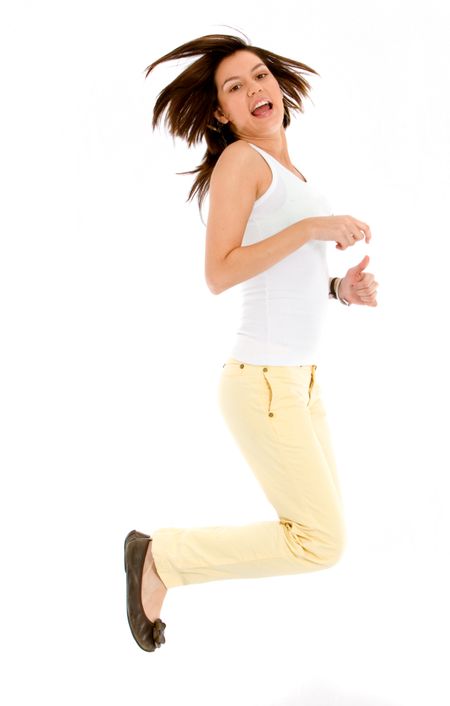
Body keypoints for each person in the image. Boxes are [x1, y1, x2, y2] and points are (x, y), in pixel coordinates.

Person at [124, 33, 379, 652]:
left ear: (277, 85)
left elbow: (276, 280)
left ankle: (163, 557)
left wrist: (337, 290)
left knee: (322, 534)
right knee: (320, 541)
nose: (254, 90)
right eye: (233, 88)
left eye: (259, 76)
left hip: (298, 380)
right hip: (263, 383)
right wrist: (313, 227)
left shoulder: (286, 168)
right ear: (221, 113)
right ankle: (163, 557)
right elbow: (220, 273)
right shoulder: (241, 160)